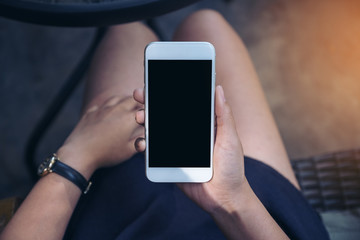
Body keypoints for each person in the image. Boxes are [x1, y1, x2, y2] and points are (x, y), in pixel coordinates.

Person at [0, 10, 329, 240]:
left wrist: (78, 155)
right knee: (206, 23)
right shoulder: (233, 194)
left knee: (127, 29)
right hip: (249, 208)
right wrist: (231, 200)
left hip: (120, 215)